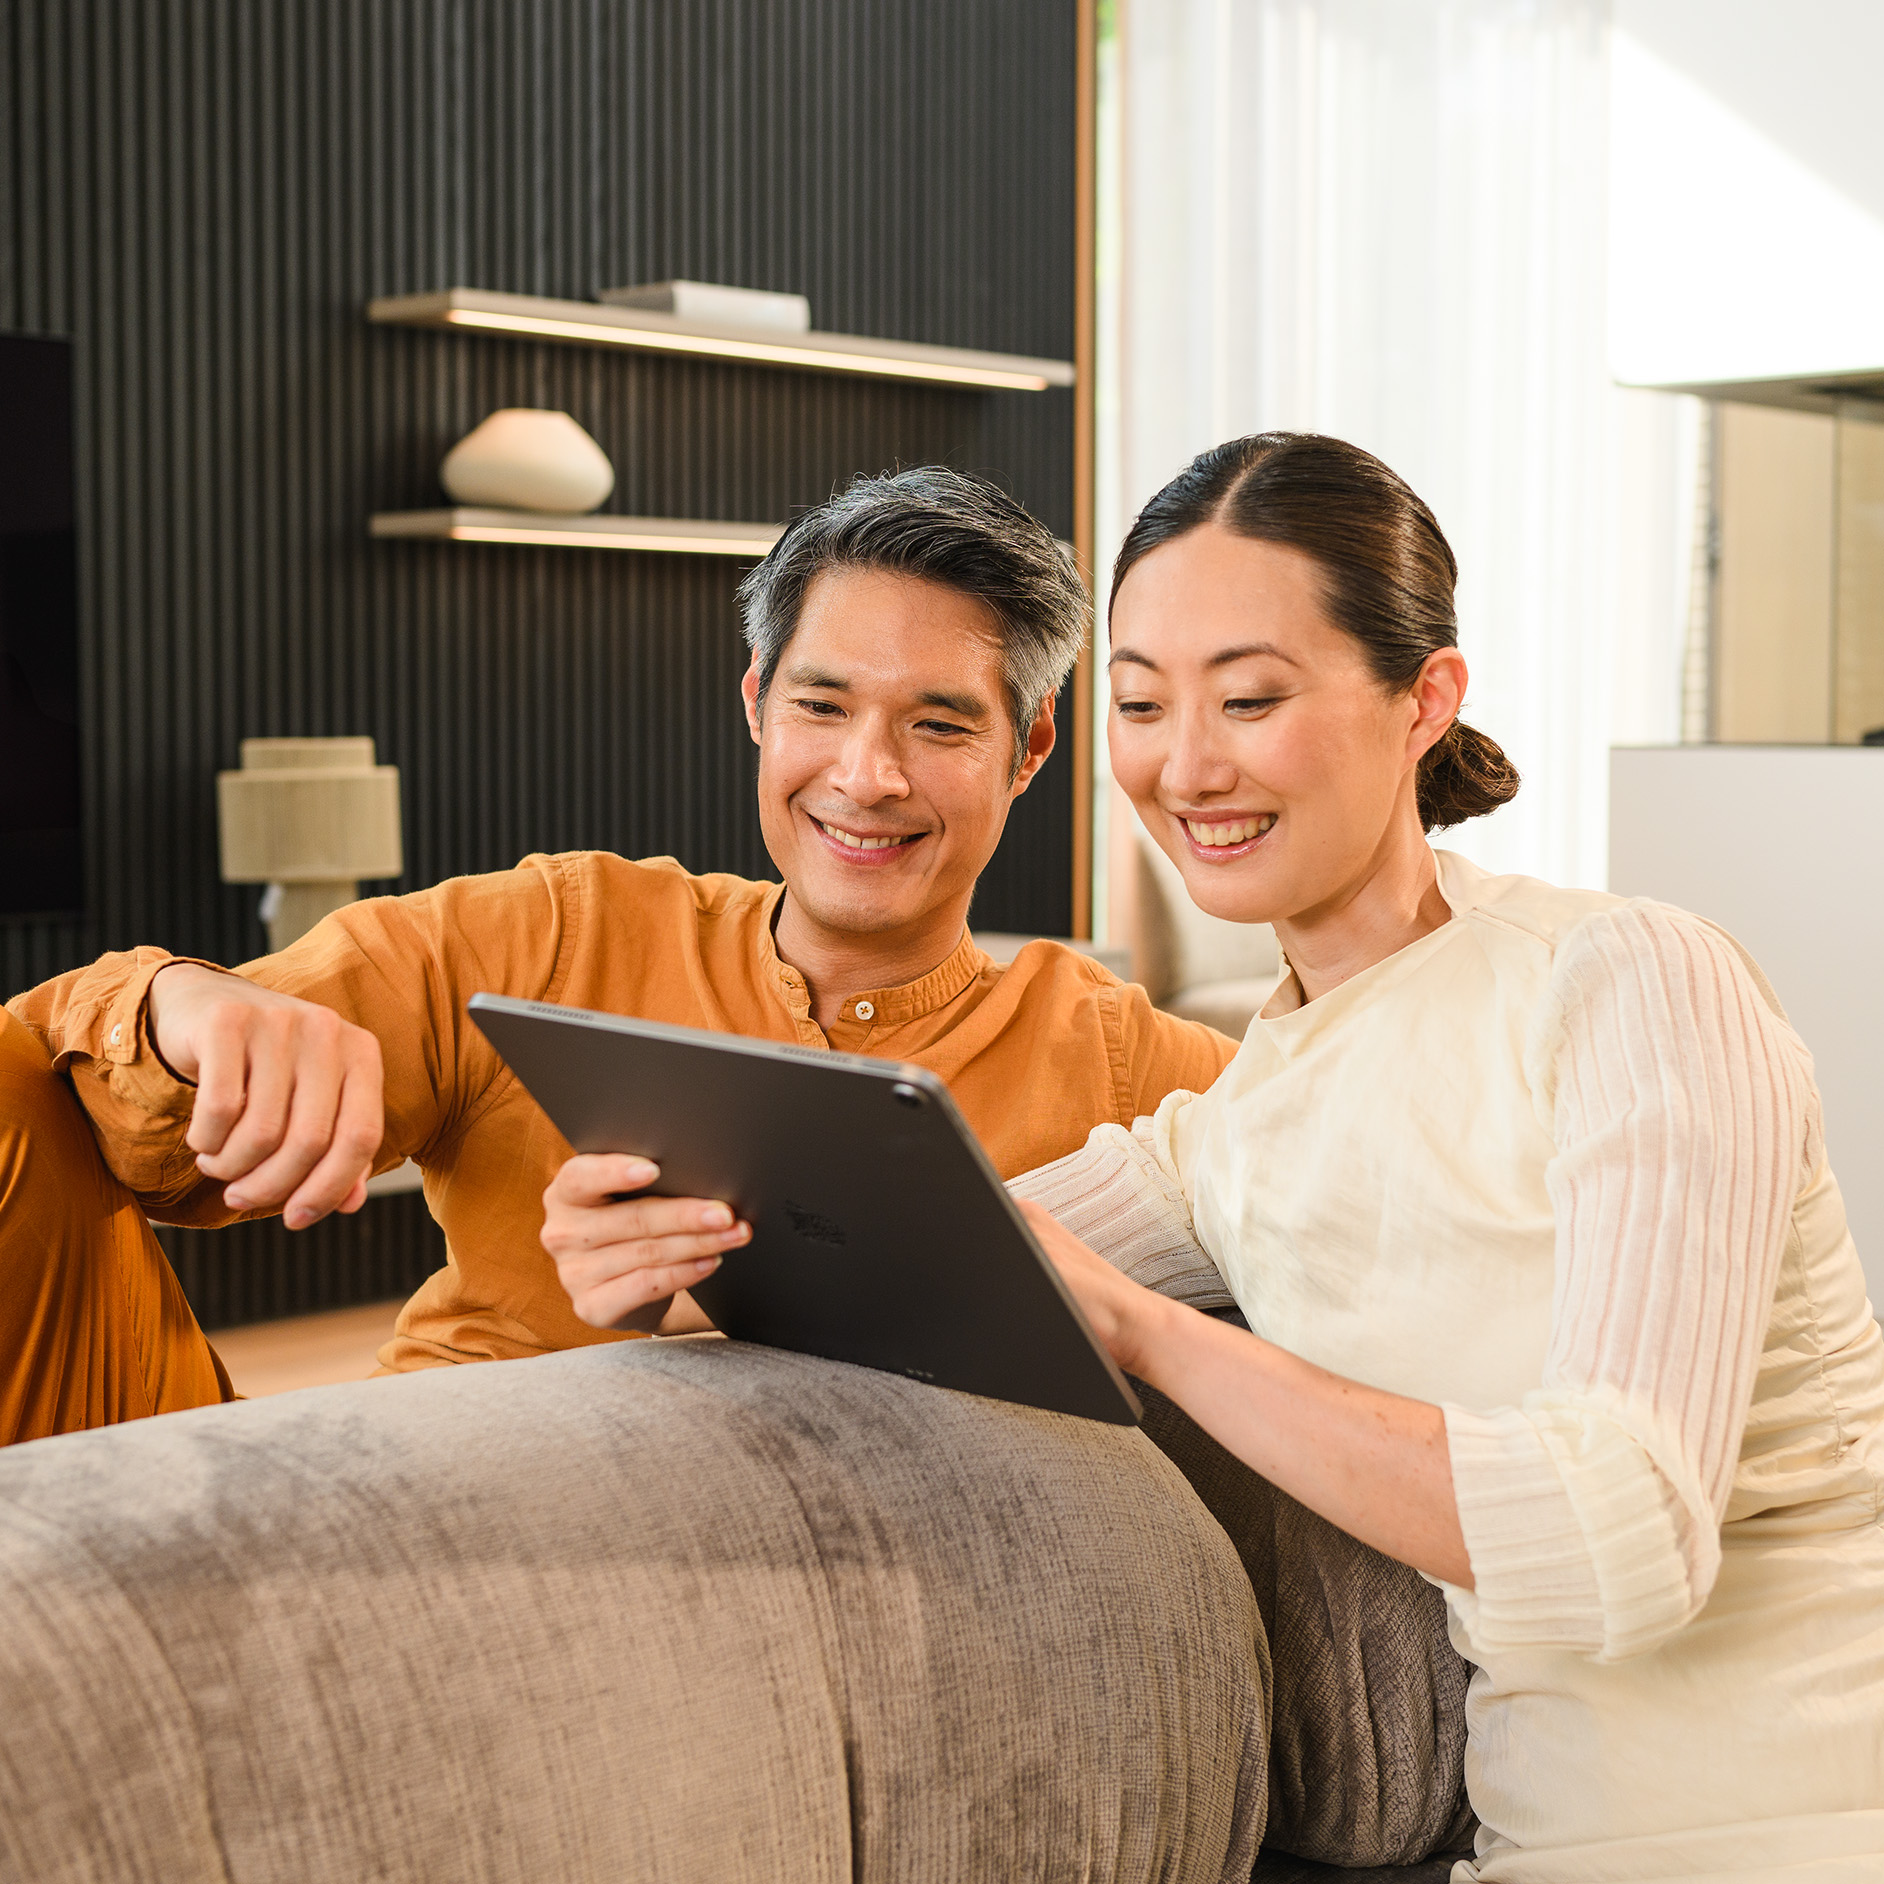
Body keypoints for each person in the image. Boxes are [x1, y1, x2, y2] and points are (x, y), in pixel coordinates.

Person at [1008, 434, 1883, 1879]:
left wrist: (1153, 1336)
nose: (1185, 765)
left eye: (1249, 698)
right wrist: (663, 1264)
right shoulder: (1228, 1131)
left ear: (1427, 699)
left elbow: (1624, 1534)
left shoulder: (1628, 979)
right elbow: (901, 1245)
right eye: (1141, 704)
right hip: (1553, 1837)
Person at [0, 467, 1237, 1448]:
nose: (867, 776)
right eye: (821, 706)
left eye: (939, 724)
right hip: (368, 1484)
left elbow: (1360, 1159)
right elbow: (112, 1120)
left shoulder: (1122, 1062)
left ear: (1028, 751)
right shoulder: (559, 927)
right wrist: (182, 1003)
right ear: (755, 704)